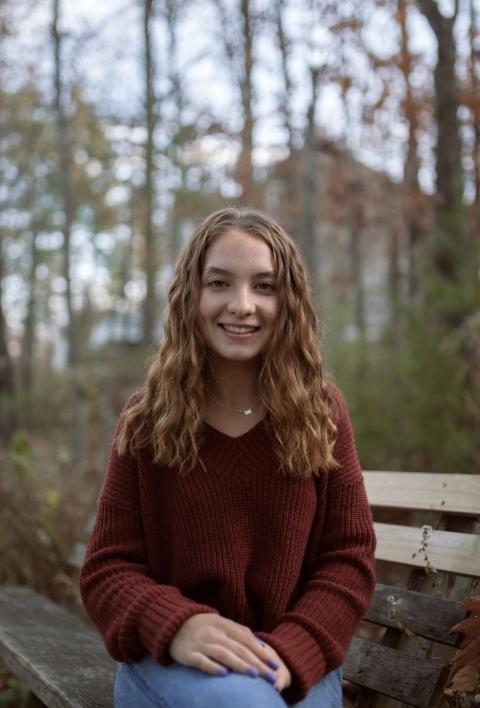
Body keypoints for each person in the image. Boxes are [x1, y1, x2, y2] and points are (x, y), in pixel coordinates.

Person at [80, 207, 376, 708]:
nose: (242, 305)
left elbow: (348, 559)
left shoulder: (320, 411)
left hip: (291, 663)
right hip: (172, 663)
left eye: (264, 286)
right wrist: (179, 626)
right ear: (191, 297)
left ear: (289, 302)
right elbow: (109, 567)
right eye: (219, 283)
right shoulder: (147, 419)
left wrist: (294, 648)